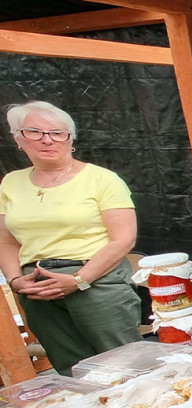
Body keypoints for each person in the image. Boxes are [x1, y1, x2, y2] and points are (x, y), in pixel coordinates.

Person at [0, 101, 141, 375]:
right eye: (35, 132)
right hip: (36, 287)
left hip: (96, 281)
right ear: (18, 139)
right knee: (72, 370)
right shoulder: (11, 183)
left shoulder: (102, 180)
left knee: (124, 363)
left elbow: (123, 240)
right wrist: (16, 280)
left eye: (57, 133)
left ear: (70, 139)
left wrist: (79, 280)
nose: (47, 140)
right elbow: (6, 241)